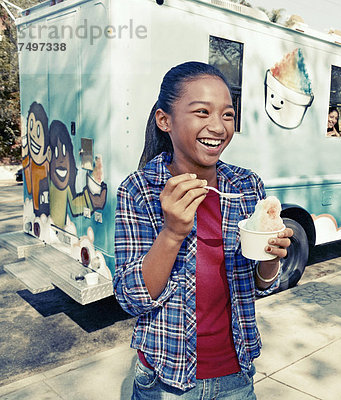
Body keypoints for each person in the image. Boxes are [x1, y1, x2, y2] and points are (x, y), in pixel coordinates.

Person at [113, 61, 293, 399]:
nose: (219, 127)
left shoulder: (246, 185)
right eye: (202, 112)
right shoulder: (140, 190)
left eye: (227, 114)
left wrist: (271, 258)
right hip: (167, 380)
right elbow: (131, 299)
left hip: (236, 374)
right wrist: (172, 233)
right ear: (164, 120)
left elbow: (257, 284)